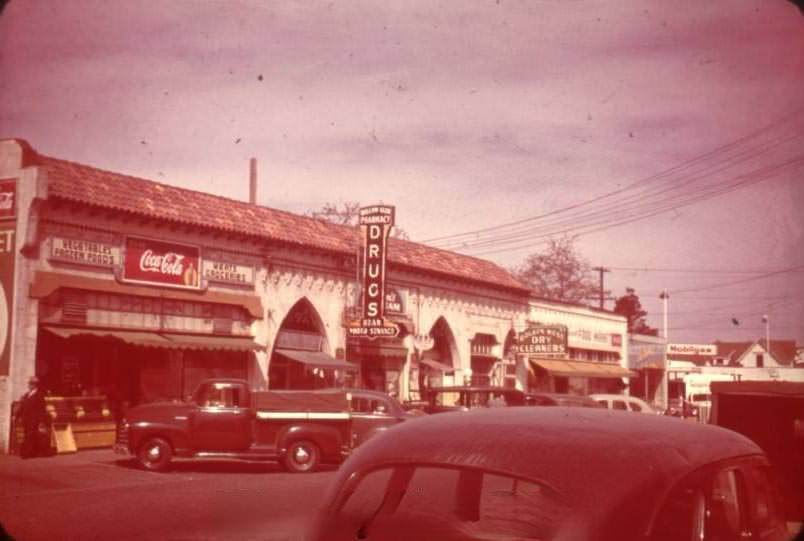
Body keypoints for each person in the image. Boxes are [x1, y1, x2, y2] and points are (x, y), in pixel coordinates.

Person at [15, 376, 48, 458]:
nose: (29, 385)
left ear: (35, 385)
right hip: (26, 419)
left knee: (30, 435)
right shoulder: (27, 395)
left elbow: (41, 409)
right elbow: (22, 406)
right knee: (27, 434)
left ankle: (27, 454)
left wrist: (41, 421)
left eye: (30, 384)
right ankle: (31, 452)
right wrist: (17, 415)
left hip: (34, 419)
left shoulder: (39, 395)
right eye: (29, 383)